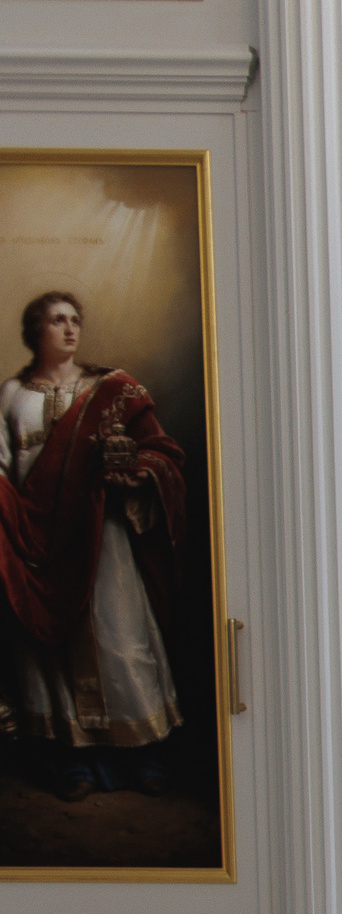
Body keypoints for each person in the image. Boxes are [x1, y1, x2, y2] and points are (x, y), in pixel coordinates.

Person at [0, 290, 188, 802]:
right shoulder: (11, 394)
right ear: (34, 331)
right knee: (54, 656)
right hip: (37, 543)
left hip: (104, 534)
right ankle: (74, 765)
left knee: (121, 643)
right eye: (56, 320)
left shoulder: (111, 389)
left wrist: (137, 475)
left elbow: (162, 452)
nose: (69, 329)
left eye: (74, 320)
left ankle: (143, 758)